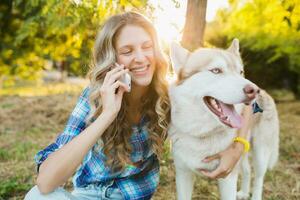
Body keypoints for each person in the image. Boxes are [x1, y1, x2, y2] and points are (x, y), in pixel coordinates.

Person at [25, 11, 252, 200]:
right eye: (127, 51)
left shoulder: (167, 95)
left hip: (132, 196)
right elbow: (45, 182)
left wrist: (238, 147)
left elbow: (252, 105)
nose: (141, 58)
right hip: (88, 195)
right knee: (37, 196)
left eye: (147, 47)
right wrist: (107, 115)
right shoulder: (94, 97)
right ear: (111, 58)